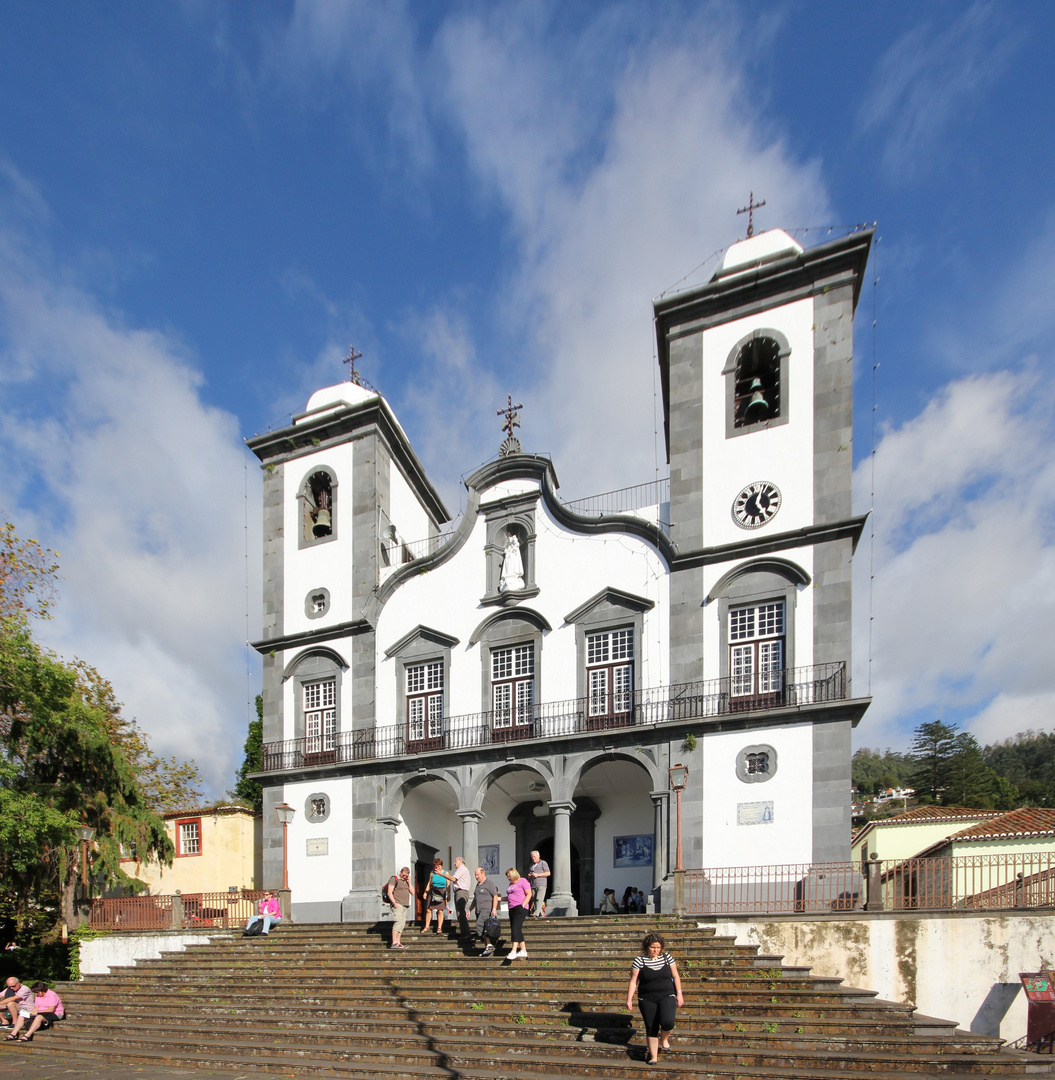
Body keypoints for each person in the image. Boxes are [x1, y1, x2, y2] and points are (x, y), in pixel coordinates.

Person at [626, 931, 684, 1065]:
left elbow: (675, 976)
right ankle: (653, 1056)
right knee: (651, 1027)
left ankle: (664, 1039)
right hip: (647, 998)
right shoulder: (639, 960)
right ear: (647, 947)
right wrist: (629, 999)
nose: (655, 950)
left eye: (658, 948)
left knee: (668, 1022)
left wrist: (679, 993)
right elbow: (634, 981)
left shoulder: (667, 958)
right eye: (653, 947)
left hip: (667, 995)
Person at [469, 866, 501, 957]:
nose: (476, 877)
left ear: (483, 874)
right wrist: (470, 910)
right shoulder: (478, 885)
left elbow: (495, 896)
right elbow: (475, 899)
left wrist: (494, 909)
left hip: (486, 909)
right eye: (475, 875)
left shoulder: (489, 883)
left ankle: (489, 944)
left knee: (480, 925)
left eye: (478, 875)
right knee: (484, 929)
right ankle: (488, 948)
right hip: (478, 909)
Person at [504, 867, 531, 960]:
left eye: (509, 876)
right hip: (511, 908)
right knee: (516, 929)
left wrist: (523, 905)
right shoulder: (511, 884)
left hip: (520, 908)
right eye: (507, 876)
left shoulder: (523, 881)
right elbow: (511, 896)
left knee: (515, 928)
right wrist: (500, 899)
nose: (508, 878)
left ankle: (513, 951)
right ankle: (523, 950)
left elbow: (529, 894)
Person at [445, 856, 472, 939]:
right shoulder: (464, 869)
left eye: (455, 862)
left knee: (460, 913)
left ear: (460, 862)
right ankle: (464, 932)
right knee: (460, 912)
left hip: (461, 892)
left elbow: (453, 878)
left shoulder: (462, 869)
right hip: (461, 892)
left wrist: (443, 874)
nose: (454, 863)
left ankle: (466, 933)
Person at [420, 858, 449, 934]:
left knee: (440, 911)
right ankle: (427, 926)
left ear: (441, 866)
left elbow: (448, 885)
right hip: (433, 892)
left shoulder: (445, 873)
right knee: (428, 909)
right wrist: (425, 892)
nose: (437, 868)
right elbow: (429, 882)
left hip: (441, 892)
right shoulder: (432, 873)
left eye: (438, 866)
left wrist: (448, 895)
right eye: (436, 866)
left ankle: (439, 927)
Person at [386, 866, 413, 949]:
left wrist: (409, 882)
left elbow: (413, 892)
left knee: (401, 924)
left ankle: (398, 942)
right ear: (401, 873)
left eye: (406, 876)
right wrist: (394, 903)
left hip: (405, 905)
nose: (404, 877)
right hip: (398, 904)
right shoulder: (394, 879)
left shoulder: (406, 882)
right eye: (403, 875)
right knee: (397, 922)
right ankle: (394, 942)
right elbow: (389, 892)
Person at [528, 850, 550, 917]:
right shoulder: (532, 865)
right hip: (533, 885)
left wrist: (538, 875)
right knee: (534, 900)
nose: (533, 858)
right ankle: (541, 913)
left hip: (541, 884)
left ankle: (536, 913)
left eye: (534, 857)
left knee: (539, 898)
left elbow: (548, 873)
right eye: (532, 857)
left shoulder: (543, 863)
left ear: (538, 856)